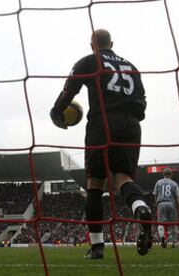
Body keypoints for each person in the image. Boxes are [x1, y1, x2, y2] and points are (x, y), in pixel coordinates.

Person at [50, 29, 152, 258]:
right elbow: (143, 103)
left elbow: (69, 90)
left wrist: (56, 112)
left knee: (95, 184)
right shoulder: (131, 67)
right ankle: (140, 208)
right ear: (112, 43)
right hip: (132, 125)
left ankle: (97, 247)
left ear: (91, 45)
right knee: (123, 178)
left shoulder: (89, 61)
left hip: (102, 123)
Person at [153, 168, 179, 248]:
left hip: (161, 203)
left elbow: (155, 194)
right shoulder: (174, 184)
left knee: (160, 223)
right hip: (171, 204)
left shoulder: (158, 182)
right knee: (173, 224)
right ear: (171, 175)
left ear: (163, 174)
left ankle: (162, 236)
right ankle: (174, 242)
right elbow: (178, 196)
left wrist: (157, 203)